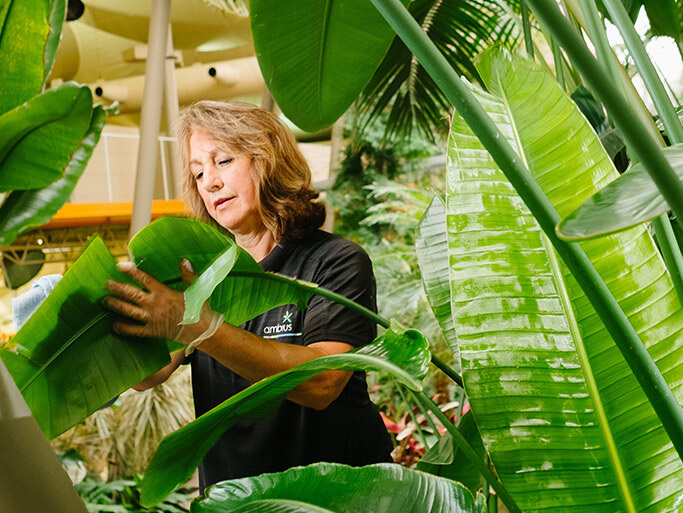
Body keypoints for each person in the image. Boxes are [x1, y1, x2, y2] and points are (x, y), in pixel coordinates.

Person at [102, 101, 393, 492]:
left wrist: (203, 328)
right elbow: (148, 373)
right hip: (233, 496)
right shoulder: (200, 276)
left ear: (268, 159)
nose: (209, 182)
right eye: (198, 172)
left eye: (222, 161)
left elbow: (322, 383)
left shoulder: (335, 261)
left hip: (337, 496)